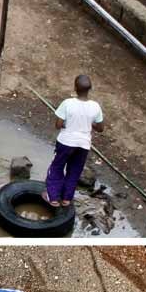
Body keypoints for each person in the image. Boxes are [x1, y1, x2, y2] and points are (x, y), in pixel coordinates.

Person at [47, 74, 105, 208]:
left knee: (56, 168)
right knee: (74, 171)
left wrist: (66, 124)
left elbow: (58, 124)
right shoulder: (95, 106)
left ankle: (53, 198)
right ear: (90, 89)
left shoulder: (67, 103)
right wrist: (89, 123)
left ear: (75, 87)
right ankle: (67, 199)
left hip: (66, 142)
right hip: (83, 145)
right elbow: (100, 128)